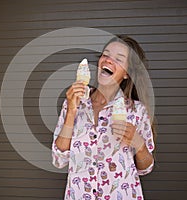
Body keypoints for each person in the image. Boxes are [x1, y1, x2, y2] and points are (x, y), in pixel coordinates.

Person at [52, 35, 156, 200]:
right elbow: (59, 159)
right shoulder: (73, 102)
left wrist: (138, 143)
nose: (108, 60)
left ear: (127, 74)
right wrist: (71, 111)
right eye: (106, 54)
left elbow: (146, 168)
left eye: (118, 59)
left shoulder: (137, 111)